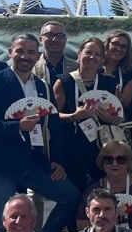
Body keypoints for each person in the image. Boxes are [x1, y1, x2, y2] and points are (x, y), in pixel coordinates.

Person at [0, 33, 80, 232]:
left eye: (30, 52)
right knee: (1, 222)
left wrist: (58, 161)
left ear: (38, 56)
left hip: (32, 162)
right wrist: (16, 126)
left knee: (71, 197)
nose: (25, 56)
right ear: (10, 52)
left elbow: (53, 126)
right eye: (20, 51)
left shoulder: (42, 87)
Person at [52, 36, 123, 193]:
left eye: (97, 54)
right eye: (88, 53)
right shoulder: (64, 81)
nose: (93, 57)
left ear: (103, 59)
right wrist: (73, 116)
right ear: (79, 54)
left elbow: (119, 117)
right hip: (72, 146)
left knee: (103, 191)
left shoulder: (109, 83)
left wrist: (110, 119)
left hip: (102, 146)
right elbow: (52, 116)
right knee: (75, 193)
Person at [32, 20, 77, 89]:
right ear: (41, 39)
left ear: (65, 40)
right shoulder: (31, 67)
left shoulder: (76, 67)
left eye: (60, 36)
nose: (55, 39)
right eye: (49, 35)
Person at [102, 29, 132, 115]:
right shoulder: (95, 68)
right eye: (115, 44)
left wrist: (116, 91)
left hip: (115, 119)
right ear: (107, 45)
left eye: (123, 46)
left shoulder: (127, 73)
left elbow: (124, 104)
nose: (119, 48)